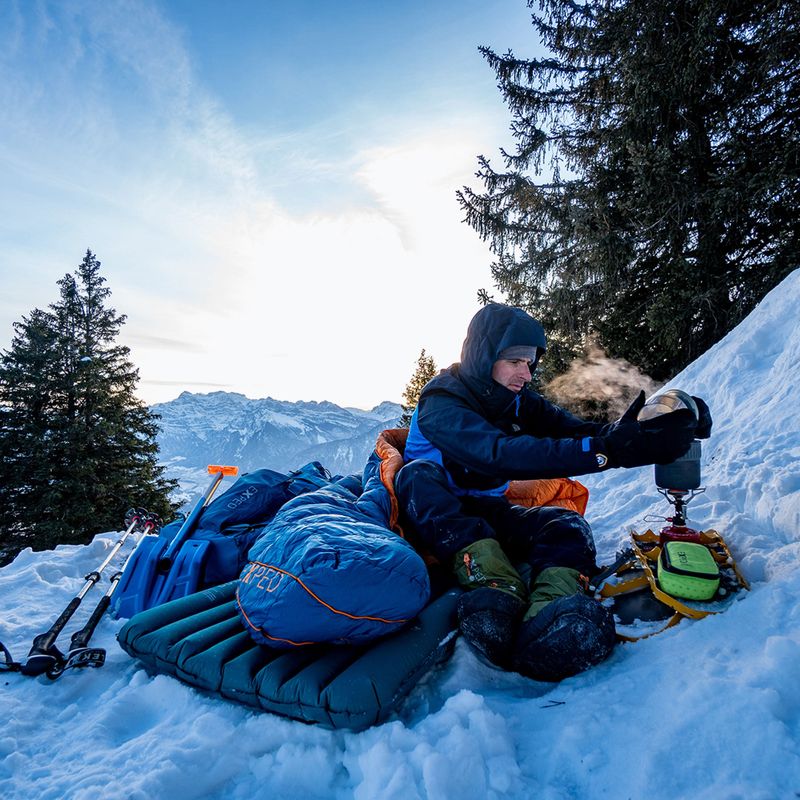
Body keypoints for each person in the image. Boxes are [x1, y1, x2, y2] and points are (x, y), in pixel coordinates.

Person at [395, 303, 711, 681]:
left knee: (564, 524)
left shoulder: (514, 399)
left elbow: (573, 431)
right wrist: (604, 452)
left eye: (530, 363)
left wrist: (642, 433)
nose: (525, 375)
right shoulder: (442, 403)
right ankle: (495, 587)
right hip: (435, 518)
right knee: (417, 476)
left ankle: (552, 613)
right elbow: (499, 455)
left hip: (487, 511)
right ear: (484, 356)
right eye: (515, 362)